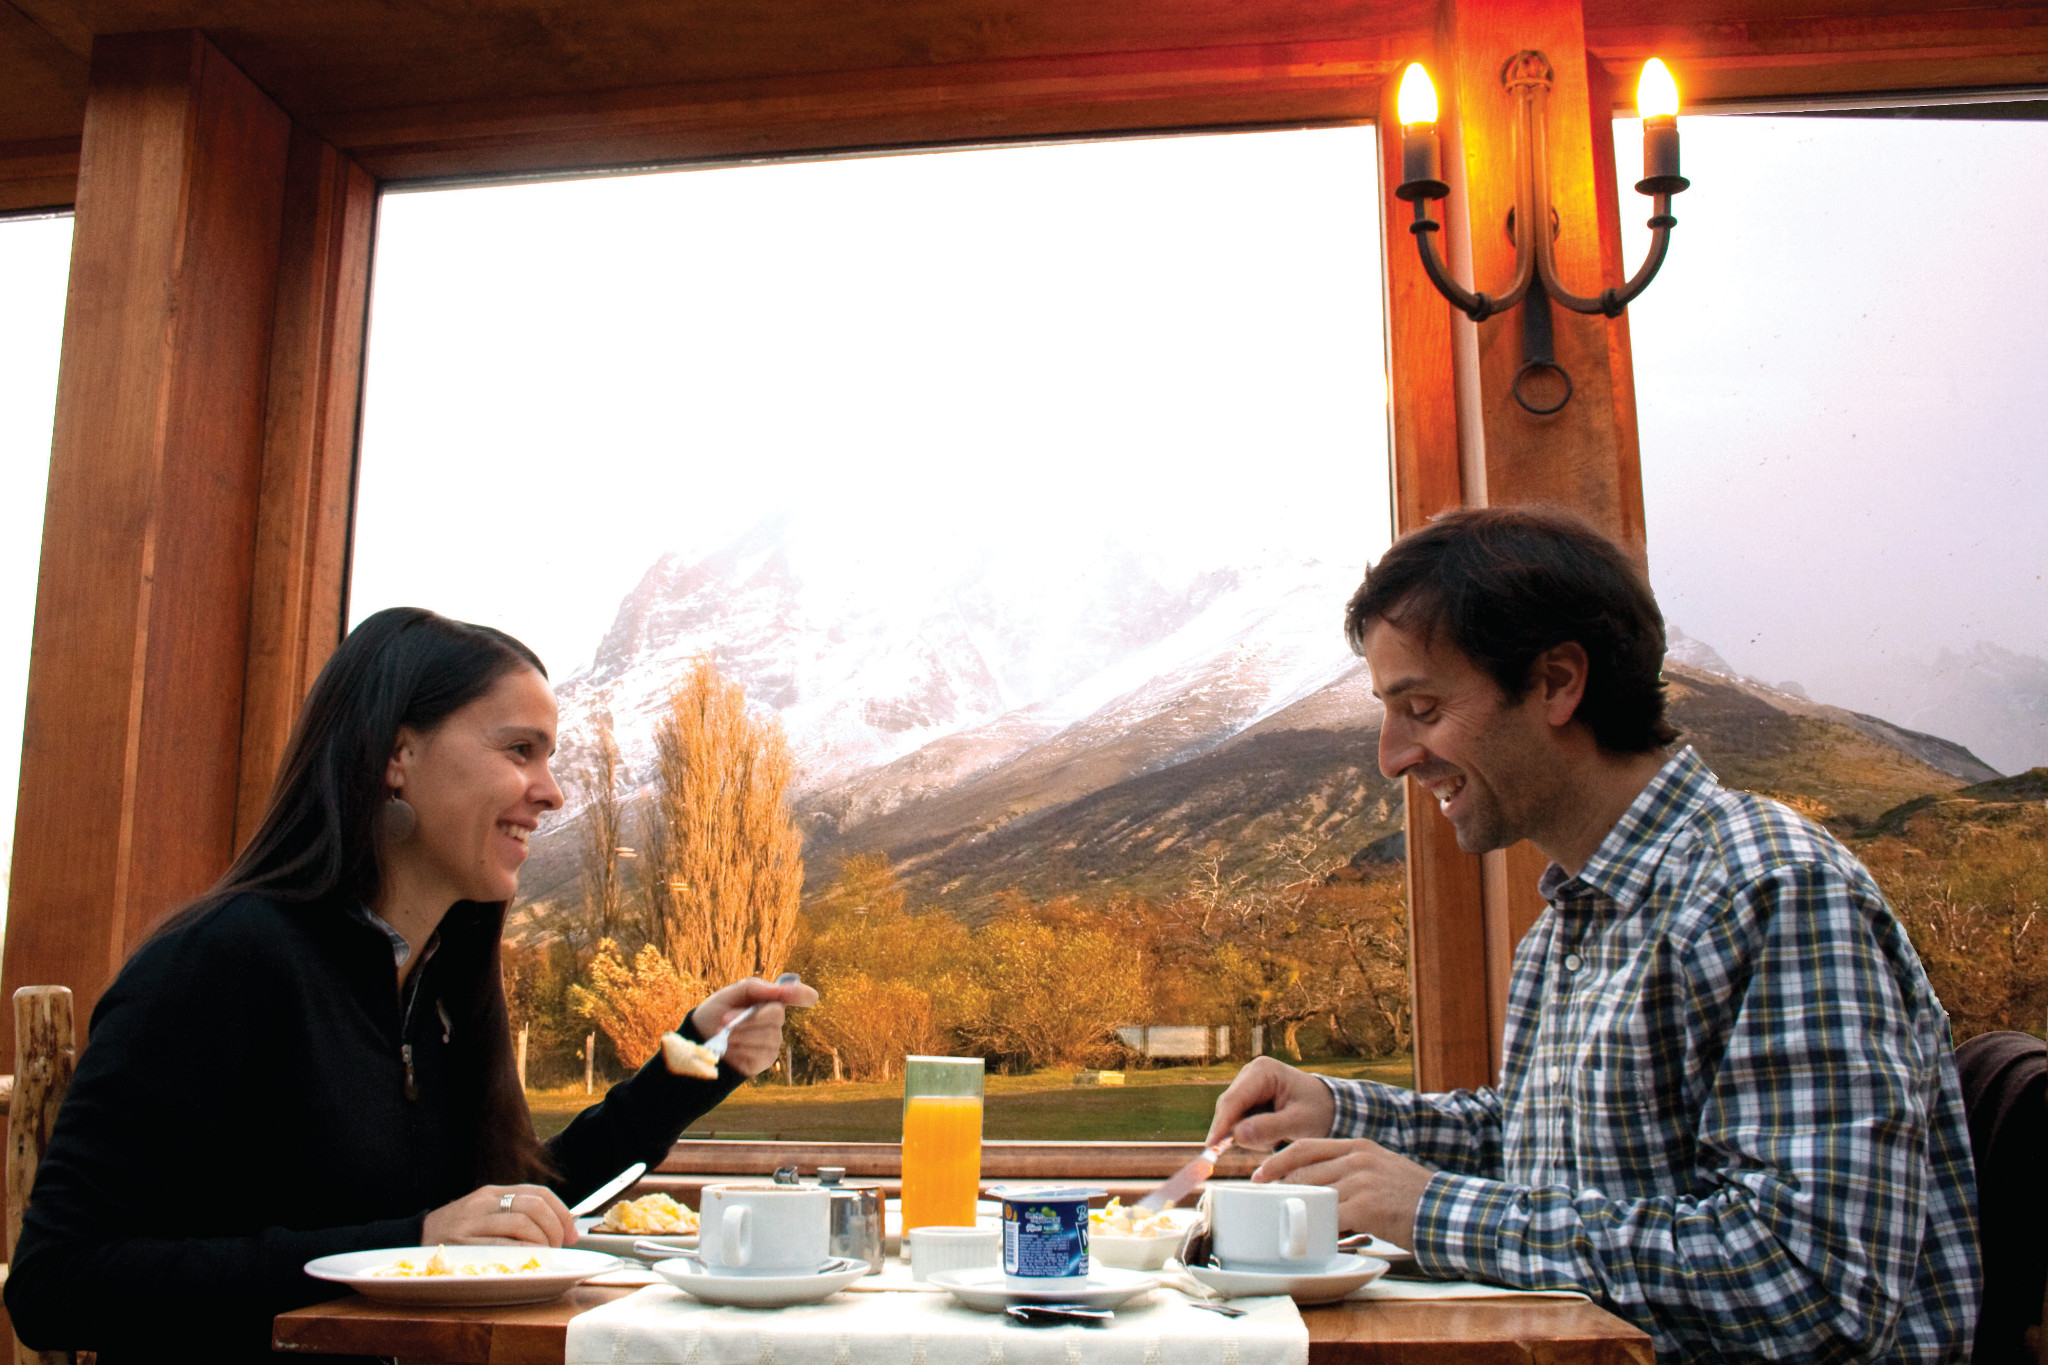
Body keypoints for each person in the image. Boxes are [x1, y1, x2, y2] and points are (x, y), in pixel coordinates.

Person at [1205, 507, 1979, 1362]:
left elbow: (1809, 1282)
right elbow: (1546, 1146)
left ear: (1557, 682)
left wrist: (1432, 1211)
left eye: (1421, 706)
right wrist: (1341, 1107)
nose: (1391, 755)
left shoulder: (1771, 889)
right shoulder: (1569, 926)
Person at [4, 607, 818, 1363]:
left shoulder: (438, 986)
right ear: (399, 756)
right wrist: (412, 1246)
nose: (553, 791)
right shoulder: (220, 963)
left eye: (550, 756)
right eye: (519, 749)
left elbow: (522, 1207)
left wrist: (696, 1061)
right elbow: (59, 1283)